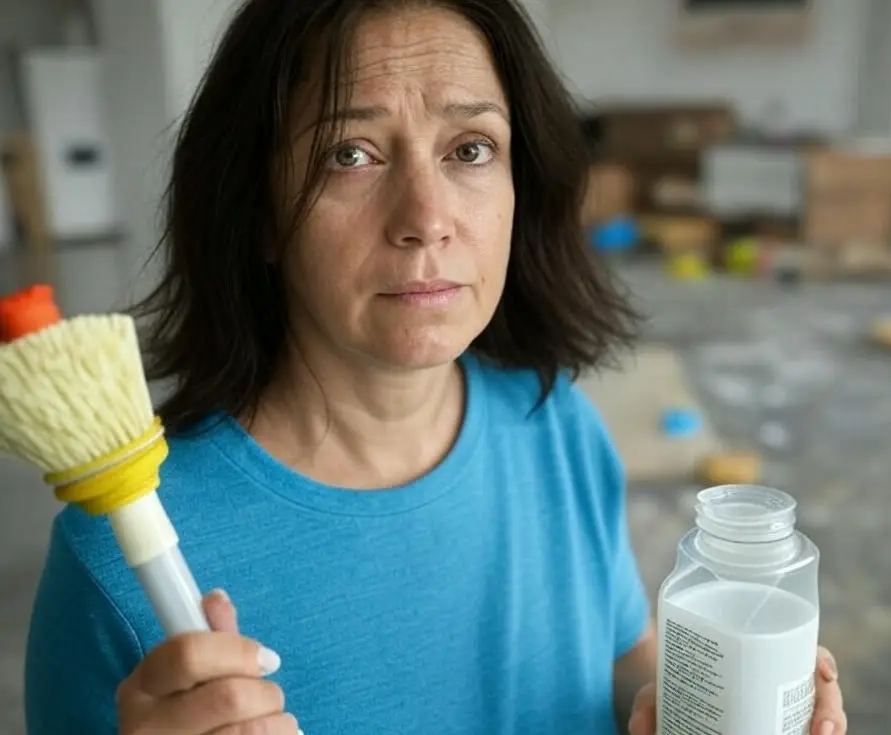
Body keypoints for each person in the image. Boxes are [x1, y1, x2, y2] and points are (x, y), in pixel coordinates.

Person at [23, 1, 848, 733]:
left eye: (470, 148)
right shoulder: (114, 560)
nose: (426, 217)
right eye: (350, 153)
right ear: (260, 214)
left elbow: (621, 664)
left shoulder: (555, 424)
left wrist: (687, 712)